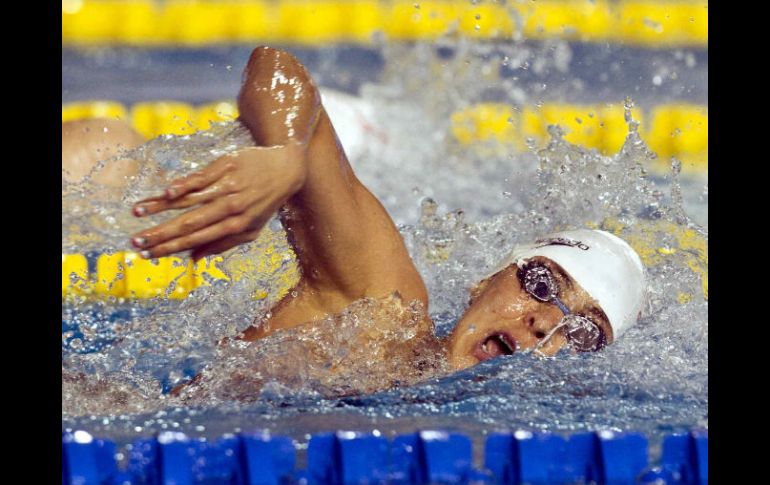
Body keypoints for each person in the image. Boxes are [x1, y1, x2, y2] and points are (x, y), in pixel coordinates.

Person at [74, 47, 646, 377]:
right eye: (541, 282)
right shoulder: (379, 312)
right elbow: (278, 71)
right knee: (102, 151)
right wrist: (286, 158)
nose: (546, 322)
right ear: (485, 280)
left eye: (586, 332)